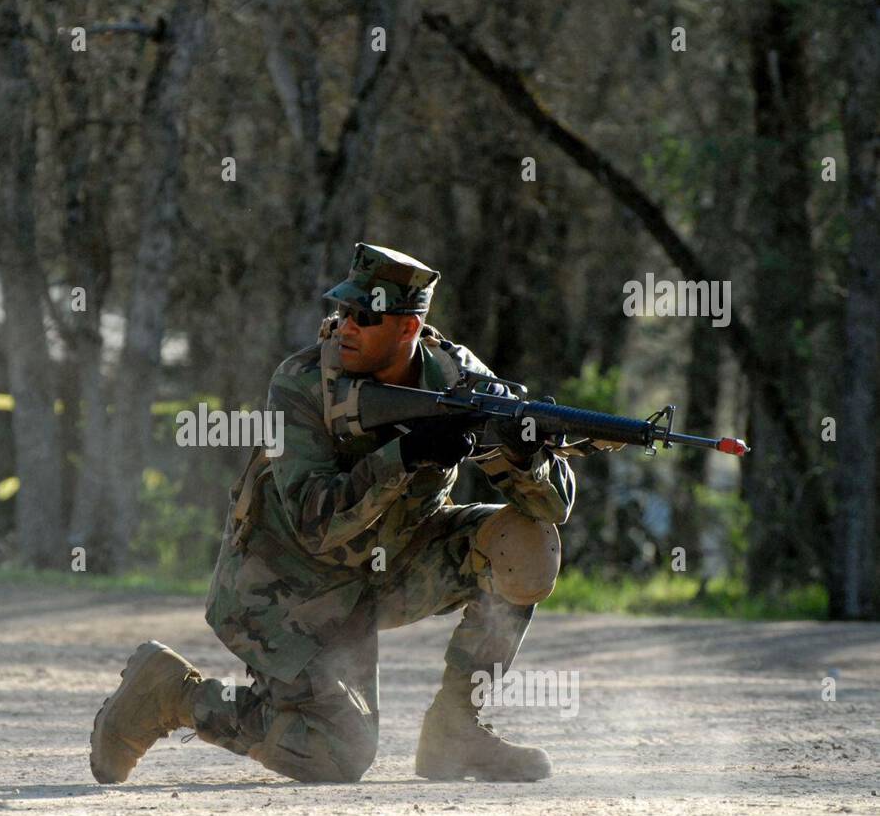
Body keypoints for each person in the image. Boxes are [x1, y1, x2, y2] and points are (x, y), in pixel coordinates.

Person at [90, 242, 574, 784]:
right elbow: (315, 525)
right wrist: (407, 453)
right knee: (336, 755)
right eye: (343, 310)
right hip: (285, 586)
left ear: (409, 329)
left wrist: (525, 454)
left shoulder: (459, 380)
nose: (345, 325)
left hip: (387, 568)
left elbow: (552, 508)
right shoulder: (299, 385)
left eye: (365, 317)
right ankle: (172, 695)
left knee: (526, 544)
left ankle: (456, 730)